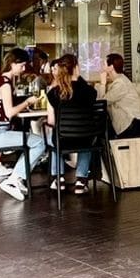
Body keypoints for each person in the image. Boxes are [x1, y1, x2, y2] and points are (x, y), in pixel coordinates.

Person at [0, 50, 46, 201]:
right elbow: (10, 112)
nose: (23, 69)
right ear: (12, 64)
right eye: (22, 65)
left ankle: (17, 178)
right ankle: (14, 179)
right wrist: (28, 102)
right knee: (39, 143)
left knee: (33, 141)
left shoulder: (1, 81)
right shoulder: (5, 84)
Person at [45, 53, 99, 194]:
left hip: (63, 140)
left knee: (53, 137)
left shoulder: (53, 93)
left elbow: (51, 121)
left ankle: (59, 178)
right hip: (85, 139)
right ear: (75, 68)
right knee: (87, 136)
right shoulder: (90, 92)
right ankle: (81, 181)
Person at [99, 53, 140, 139]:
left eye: (104, 64)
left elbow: (102, 103)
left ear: (111, 67)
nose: (102, 68)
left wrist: (102, 83)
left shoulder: (120, 83)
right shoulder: (119, 81)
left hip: (133, 125)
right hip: (132, 124)